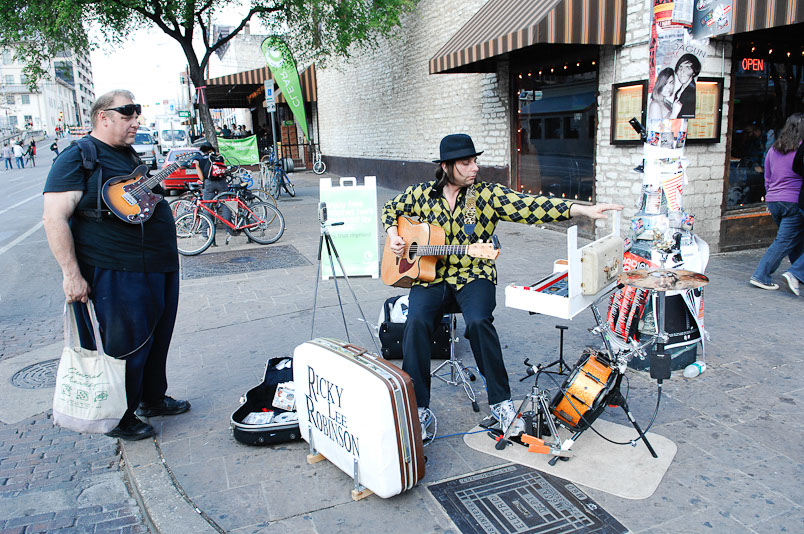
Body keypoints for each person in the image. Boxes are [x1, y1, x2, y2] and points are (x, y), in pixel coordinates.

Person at [382, 134, 623, 438]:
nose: (475, 168)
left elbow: (532, 205)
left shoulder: (486, 195)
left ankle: (502, 403)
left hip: (474, 273)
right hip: (432, 277)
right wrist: (394, 236)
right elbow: (390, 208)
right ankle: (418, 409)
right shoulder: (421, 194)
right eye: (466, 163)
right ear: (446, 166)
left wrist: (580, 209)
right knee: (415, 322)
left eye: (475, 161)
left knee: (480, 323)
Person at [42, 89, 190, 441]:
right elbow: (54, 218)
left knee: (157, 337)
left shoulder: (127, 154)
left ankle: (151, 398)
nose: (135, 123)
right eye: (127, 117)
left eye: (136, 116)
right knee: (128, 345)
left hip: (157, 264)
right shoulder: (78, 157)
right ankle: (119, 417)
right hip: (117, 268)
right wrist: (71, 274)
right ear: (102, 117)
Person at [749, 113, 804, 293]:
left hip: (774, 200)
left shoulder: (774, 148)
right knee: (784, 241)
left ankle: (797, 274)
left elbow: (768, 175)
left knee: (793, 240)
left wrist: (769, 196)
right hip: (793, 201)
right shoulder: (801, 149)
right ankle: (761, 275)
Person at [671, 53, 701, 119]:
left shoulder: (693, 93)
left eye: (687, 67)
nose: (682, 71)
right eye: (680, 67)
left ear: (694, 72)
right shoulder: (679, 91)